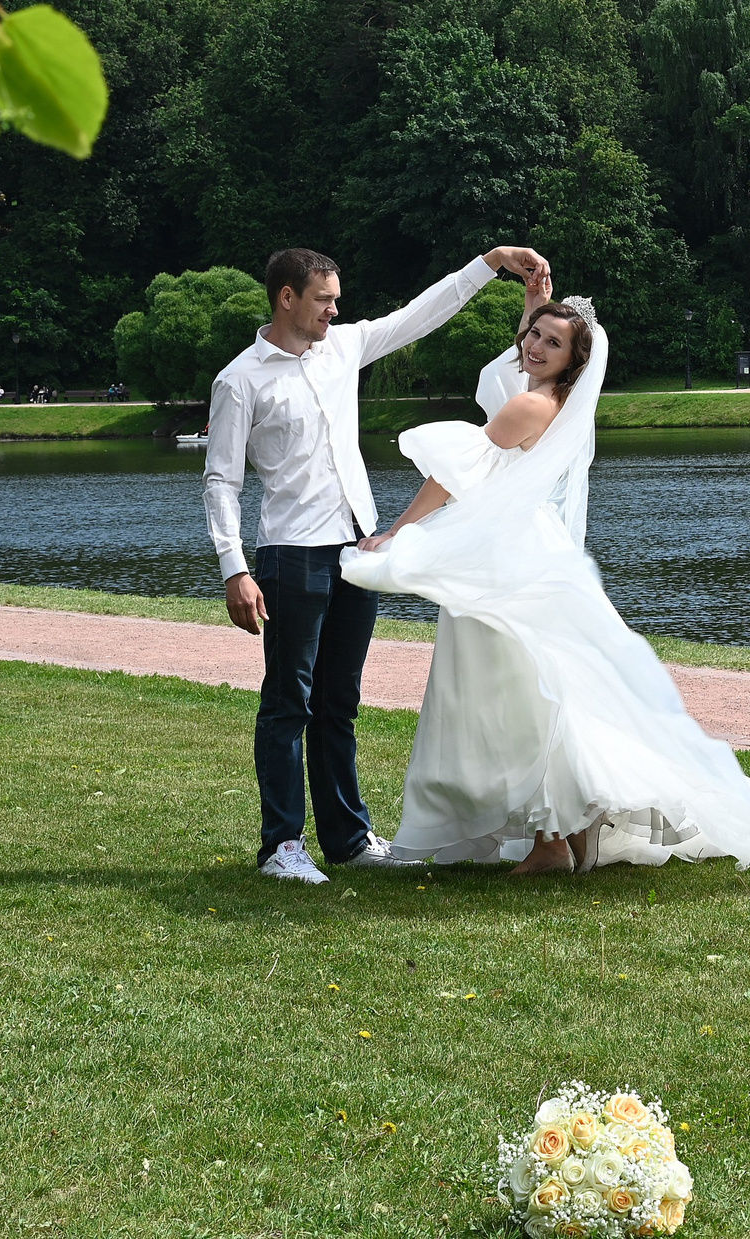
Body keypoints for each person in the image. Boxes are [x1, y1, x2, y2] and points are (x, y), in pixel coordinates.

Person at [344, 283, 750, 878]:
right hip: (531, 548)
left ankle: (552, 840)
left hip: (508, 555)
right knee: (543, 687)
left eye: (554, 342)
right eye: (534, 336)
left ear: (575, 359)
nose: (537, 346)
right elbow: (509, 377)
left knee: (516, 694)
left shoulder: (529, 407)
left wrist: (396, 531)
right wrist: (532, 312)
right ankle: (564, 831)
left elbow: (451, 476)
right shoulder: (556, 404)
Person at [205, 240, 551, 887]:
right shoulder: (240, 378)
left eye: (337, 300)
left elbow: (421, 312)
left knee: (339, 701)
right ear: (287, 298)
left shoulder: (345, 347)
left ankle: (346, 836)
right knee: (288, 702)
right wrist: (235, 568)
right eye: (324, 300)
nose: (335, 311)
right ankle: (281, 844)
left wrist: (489, 263)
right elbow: (220, 480)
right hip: (289, 554)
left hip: (356, 551)